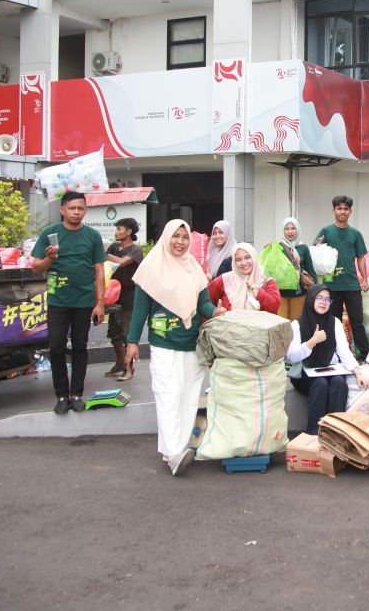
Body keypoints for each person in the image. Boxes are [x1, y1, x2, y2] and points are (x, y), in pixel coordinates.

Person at [123, 219, 226, 476]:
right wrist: (132, 342)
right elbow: (140, 311)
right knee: (168, 396)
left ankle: (179, 448)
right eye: (175, 236)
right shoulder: (151, 268)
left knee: (189, 397)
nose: (180, 242)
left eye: (184, 237)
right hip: (163, 344)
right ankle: (172, 453)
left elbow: (203, 305)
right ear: (166, 237)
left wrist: (216, 311)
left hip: (191, 344)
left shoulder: (193, 268)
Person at [31, 192, 106, 415]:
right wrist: (50, 259)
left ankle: (76, 394)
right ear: (62, 209)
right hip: (58, 300)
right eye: (72, 208)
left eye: (80, 208)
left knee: (81, 347)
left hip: (84, 301)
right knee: (56, 348)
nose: (76, 212)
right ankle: (61, 395)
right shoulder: (49, 234)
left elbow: (99, 269)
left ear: (85, 210)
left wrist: (100, 302)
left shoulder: (92, 236)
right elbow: (36, 267)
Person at [285, 284, 369, 435]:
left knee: (339, 382)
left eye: (327, 300)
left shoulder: (334, 322)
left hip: (330, 369)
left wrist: (358, 373)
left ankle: (336, 430)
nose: (323, 302)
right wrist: (311, 342)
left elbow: (344, 351)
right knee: (320, 383)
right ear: (311, 299)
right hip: (305, 374)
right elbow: (291, 356)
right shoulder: (297, 325)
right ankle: (314, 431)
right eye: (319, 298)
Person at [315, 195, 369, 361]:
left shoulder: (355, 234)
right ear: (333, 210)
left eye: (346, 209)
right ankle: (333, 354)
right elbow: (316, 254)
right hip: (331, 287)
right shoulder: (325, 232)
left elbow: (361, 257)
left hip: (352, 285)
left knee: (357, 322)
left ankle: (366, 353)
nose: (342, 211)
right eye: (339, 208)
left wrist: (365, 279)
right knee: (334, 323)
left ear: (350, 211)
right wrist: (317, 245)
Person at [105, 218, 143, 381]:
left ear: (129, 232)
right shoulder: (115, 246)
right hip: (113, 294)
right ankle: (120, 363)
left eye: (119, 229)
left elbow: (121, 263)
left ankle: (129, 369)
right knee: (114, 332)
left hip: (129, 295)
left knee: (128, 334)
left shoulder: (135, 250)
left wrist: (104, 254)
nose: (116, 231)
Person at [207, 242, 282, 314]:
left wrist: (254, 288)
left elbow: (274, 307)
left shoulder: (267, 282)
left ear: (254, 257)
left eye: (247, 257)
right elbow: (204, 302)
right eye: (238, 260)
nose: (244, 263)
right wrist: (214, 312)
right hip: (231, 326)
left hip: (259, 327)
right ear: (234, 262)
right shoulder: (225, 279)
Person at [271, 217, 316, 321]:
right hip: (281, 293)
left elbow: (310, 269)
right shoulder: (277, 246)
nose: (290, 231)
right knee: (281, 324)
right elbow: (271, 269)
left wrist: (316, 290)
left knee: (297, 324)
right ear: (283, 230)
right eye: (287, 229)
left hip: (299, 293)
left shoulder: (303, 248)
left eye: (293, 228)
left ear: (298, 230)